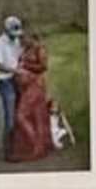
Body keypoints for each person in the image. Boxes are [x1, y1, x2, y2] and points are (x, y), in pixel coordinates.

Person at [8, 25, 59, 163]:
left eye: (24, 37)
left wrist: (25, 67)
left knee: (21, 115)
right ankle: (32, 148)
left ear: (32, 37)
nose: (21, 39)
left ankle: (35, 144)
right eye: (20, 37)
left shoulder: (39, 48)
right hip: (24, 87)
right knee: (35, 116)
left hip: (35, 85)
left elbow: (43, 66)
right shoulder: (25, 50)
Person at [0, 8, 25, 157]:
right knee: (10, 117)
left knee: (19, 115)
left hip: (17, 80)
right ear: (6, 30)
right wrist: (14, 70)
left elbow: (19, 57)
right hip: (5, 82)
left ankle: (18, 146)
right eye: (12, 33)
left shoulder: (16, 40)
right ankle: (8, 152)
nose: (15, 36)